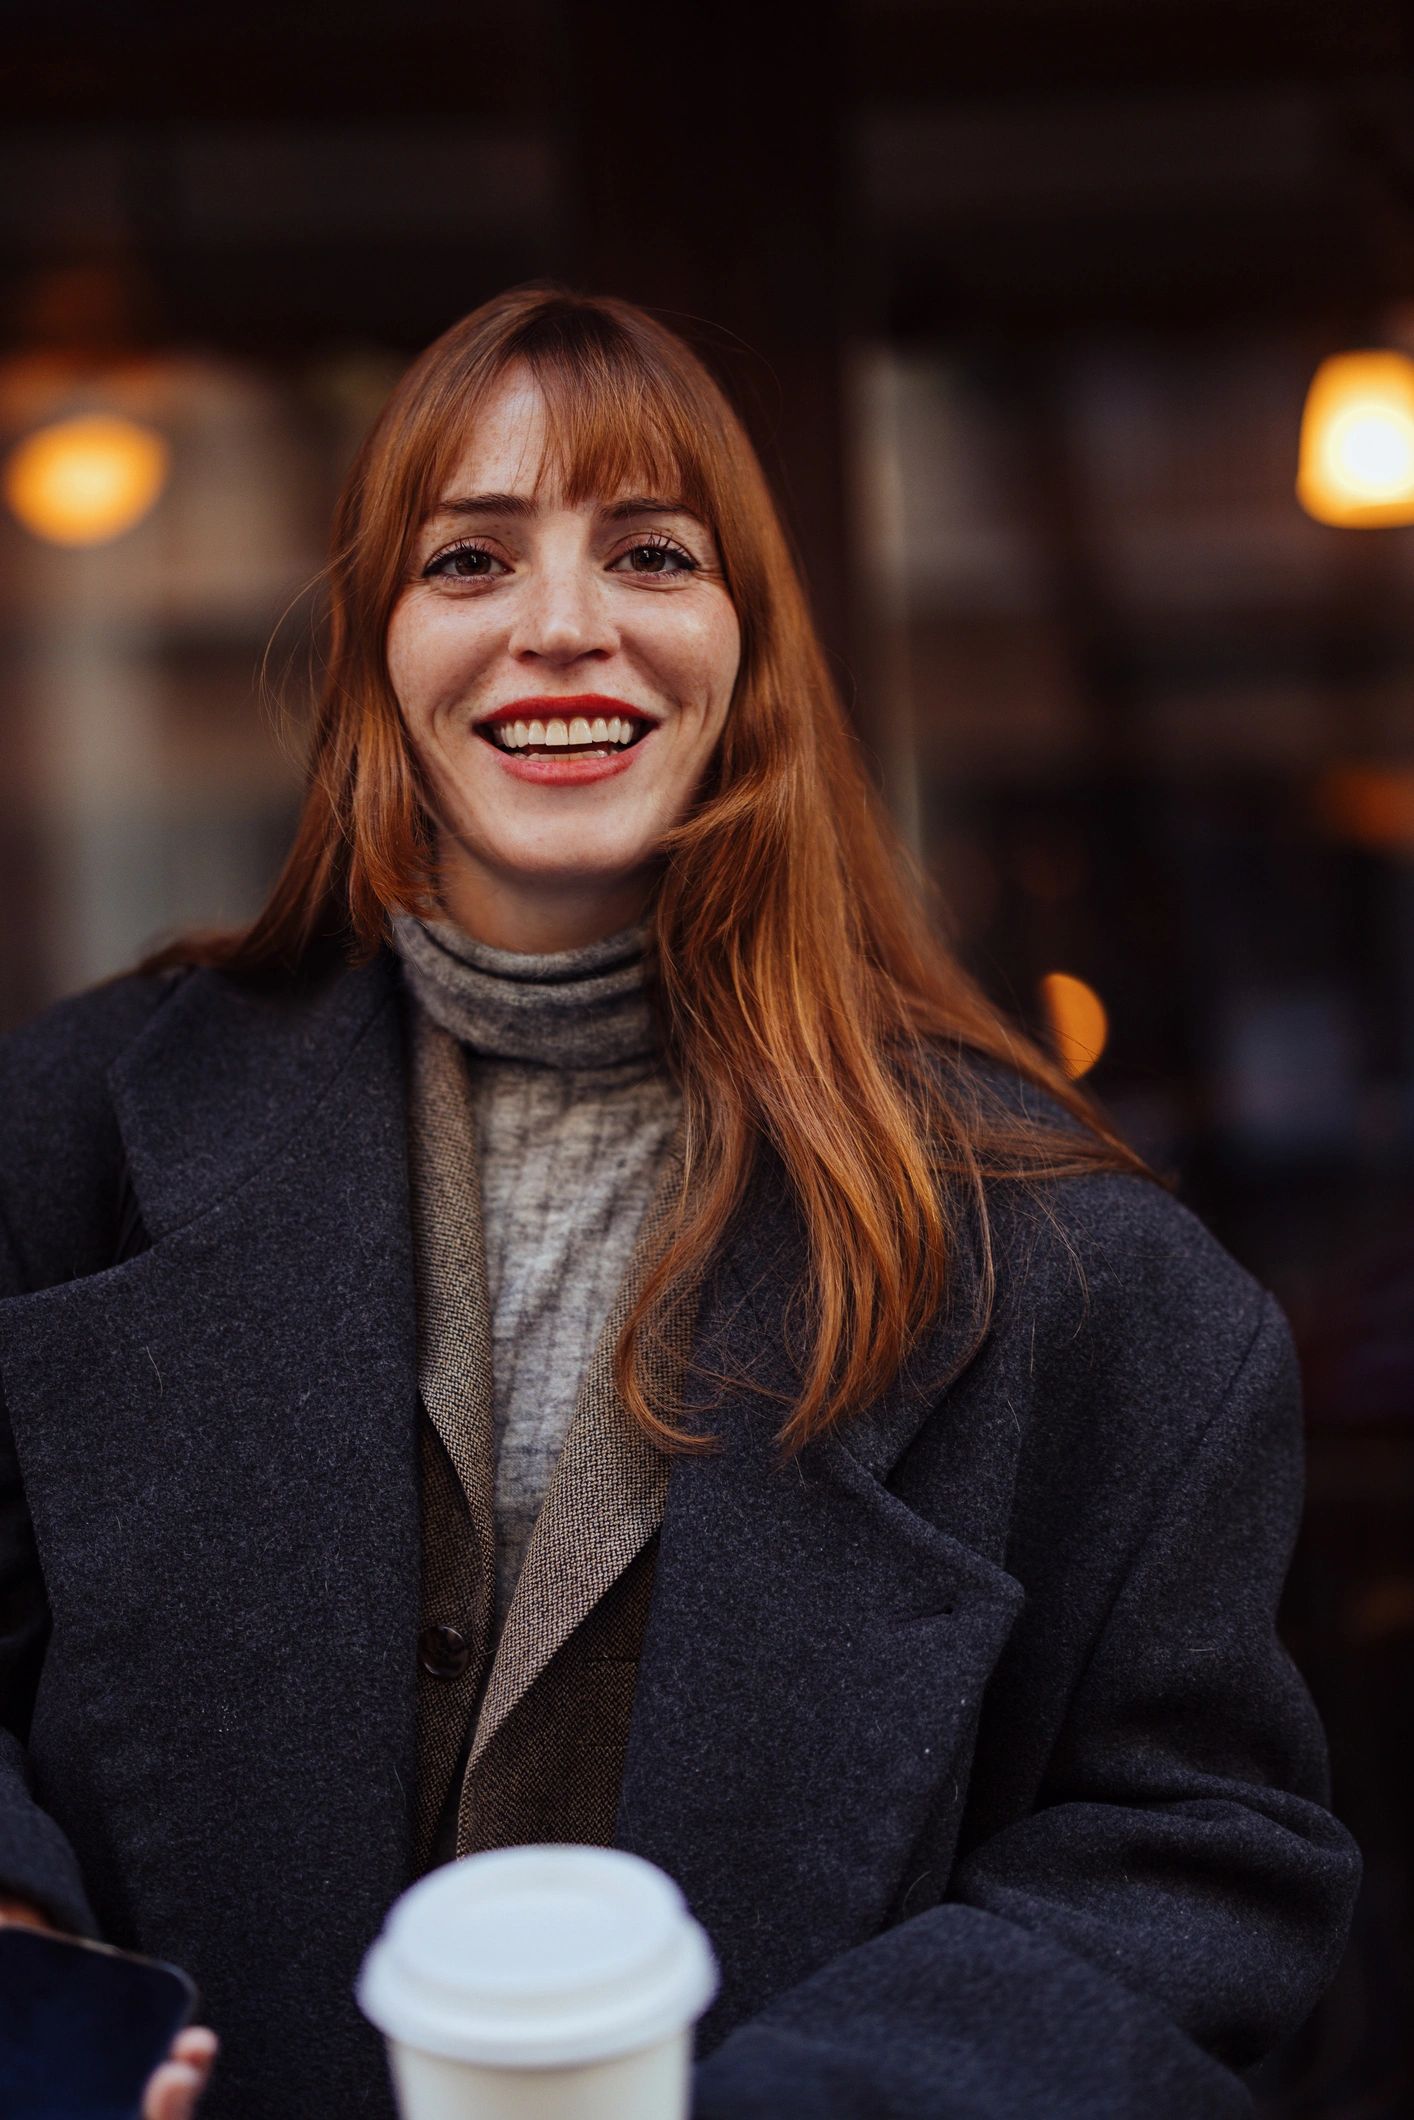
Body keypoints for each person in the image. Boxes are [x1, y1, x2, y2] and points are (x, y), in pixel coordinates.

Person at [0, 286, 1360, 2119]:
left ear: (751, 648)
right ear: (376, 650)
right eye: (466, 561)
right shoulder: (67, 1142)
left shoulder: (1085, 1279)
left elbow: (1195, 1856)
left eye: (649, 551)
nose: (562, 627)